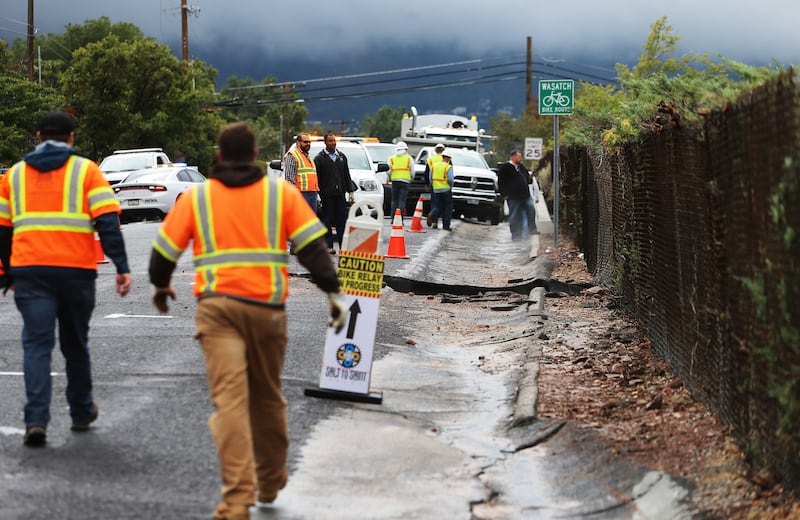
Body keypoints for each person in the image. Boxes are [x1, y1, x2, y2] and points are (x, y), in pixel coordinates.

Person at [148, 122, 347, 520]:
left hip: (217, 310)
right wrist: (334, 294)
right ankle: (270, 479)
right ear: (255, 155)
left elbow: (163, 255)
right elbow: (312, 250)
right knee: (268, 396)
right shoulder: (281, 195)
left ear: (219, 157)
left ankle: (237, 499)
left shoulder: (197, 198)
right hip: (267, 312)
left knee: (230, 403)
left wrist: (160, 287)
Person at [0, 110, 132, 447]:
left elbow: (3, 231)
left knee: (36, 344)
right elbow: (107, 221)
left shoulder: (13, 176)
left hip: (30, 272)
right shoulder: (87, 171)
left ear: (38, 136)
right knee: (75, 343)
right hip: (76, 272)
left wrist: (7, 272)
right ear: (71, 138)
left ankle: (35, 420)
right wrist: (121, 266)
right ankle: (81, 410)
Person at [314, 133, 354, 254]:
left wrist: (350, 190)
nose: (333, 143)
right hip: (326, 195)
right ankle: (328, 245)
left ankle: (343, 246)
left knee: (341, 220)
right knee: (327, 220)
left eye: (334, 141)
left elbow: (346, 175)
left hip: (340, 194)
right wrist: (318, 193)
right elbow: (317, 178)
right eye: (330, 141)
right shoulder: (319, 158)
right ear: (325, 142)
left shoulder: (341, 157)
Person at [497, 149, 536, 241]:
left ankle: (532, 230)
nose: (520, 158)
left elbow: (527, 180)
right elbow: (501, 181)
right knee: (515, 215)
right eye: (518, 156)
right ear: (513, 156)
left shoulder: (521, 167)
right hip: (513, 196)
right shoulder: (505, 167)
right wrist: (504, 194)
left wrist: (531, 178)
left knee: (531, 209)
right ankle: (516, 235)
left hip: (525, 195)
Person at [283, 133, 318, 213]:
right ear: (298, 143)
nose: (308, 144)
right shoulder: (292, 155)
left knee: (311, 221)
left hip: (312, 193)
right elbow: (289, 178)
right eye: (305, 142)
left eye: (309, 142)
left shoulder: (308, 156)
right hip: (301, 194)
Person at [426, 148, 454, 231]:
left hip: (436, 189)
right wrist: (450, 186)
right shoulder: (448, 167)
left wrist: (434, 185)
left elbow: (430, 178)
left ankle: (432, 213)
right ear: (448, 158)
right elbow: (450, 179)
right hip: (446, 189)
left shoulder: (434, 166)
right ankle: (446, 225)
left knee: (438, 206)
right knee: (447, 207)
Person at [388, 141, 412, 219]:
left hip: (395, 181)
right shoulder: (409, 158)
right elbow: (413, 171)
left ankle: (393, 218)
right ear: (406, 149)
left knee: (394, 200)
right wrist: (411, 179)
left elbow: (388, 171)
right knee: (402, 201)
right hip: (405, 181)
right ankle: (400, 219)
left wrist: (391, 177)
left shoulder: (391, 158)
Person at [424, 143, 446, 228]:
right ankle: (434, 218)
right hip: (444, 184)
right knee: (442, 204)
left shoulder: (430, 159)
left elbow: (427, 172)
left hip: (434, 183)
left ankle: (434, 221)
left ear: (435, 150)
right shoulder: (446, 159)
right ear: (443, 150)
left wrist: (427, 183)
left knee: (434, 203)